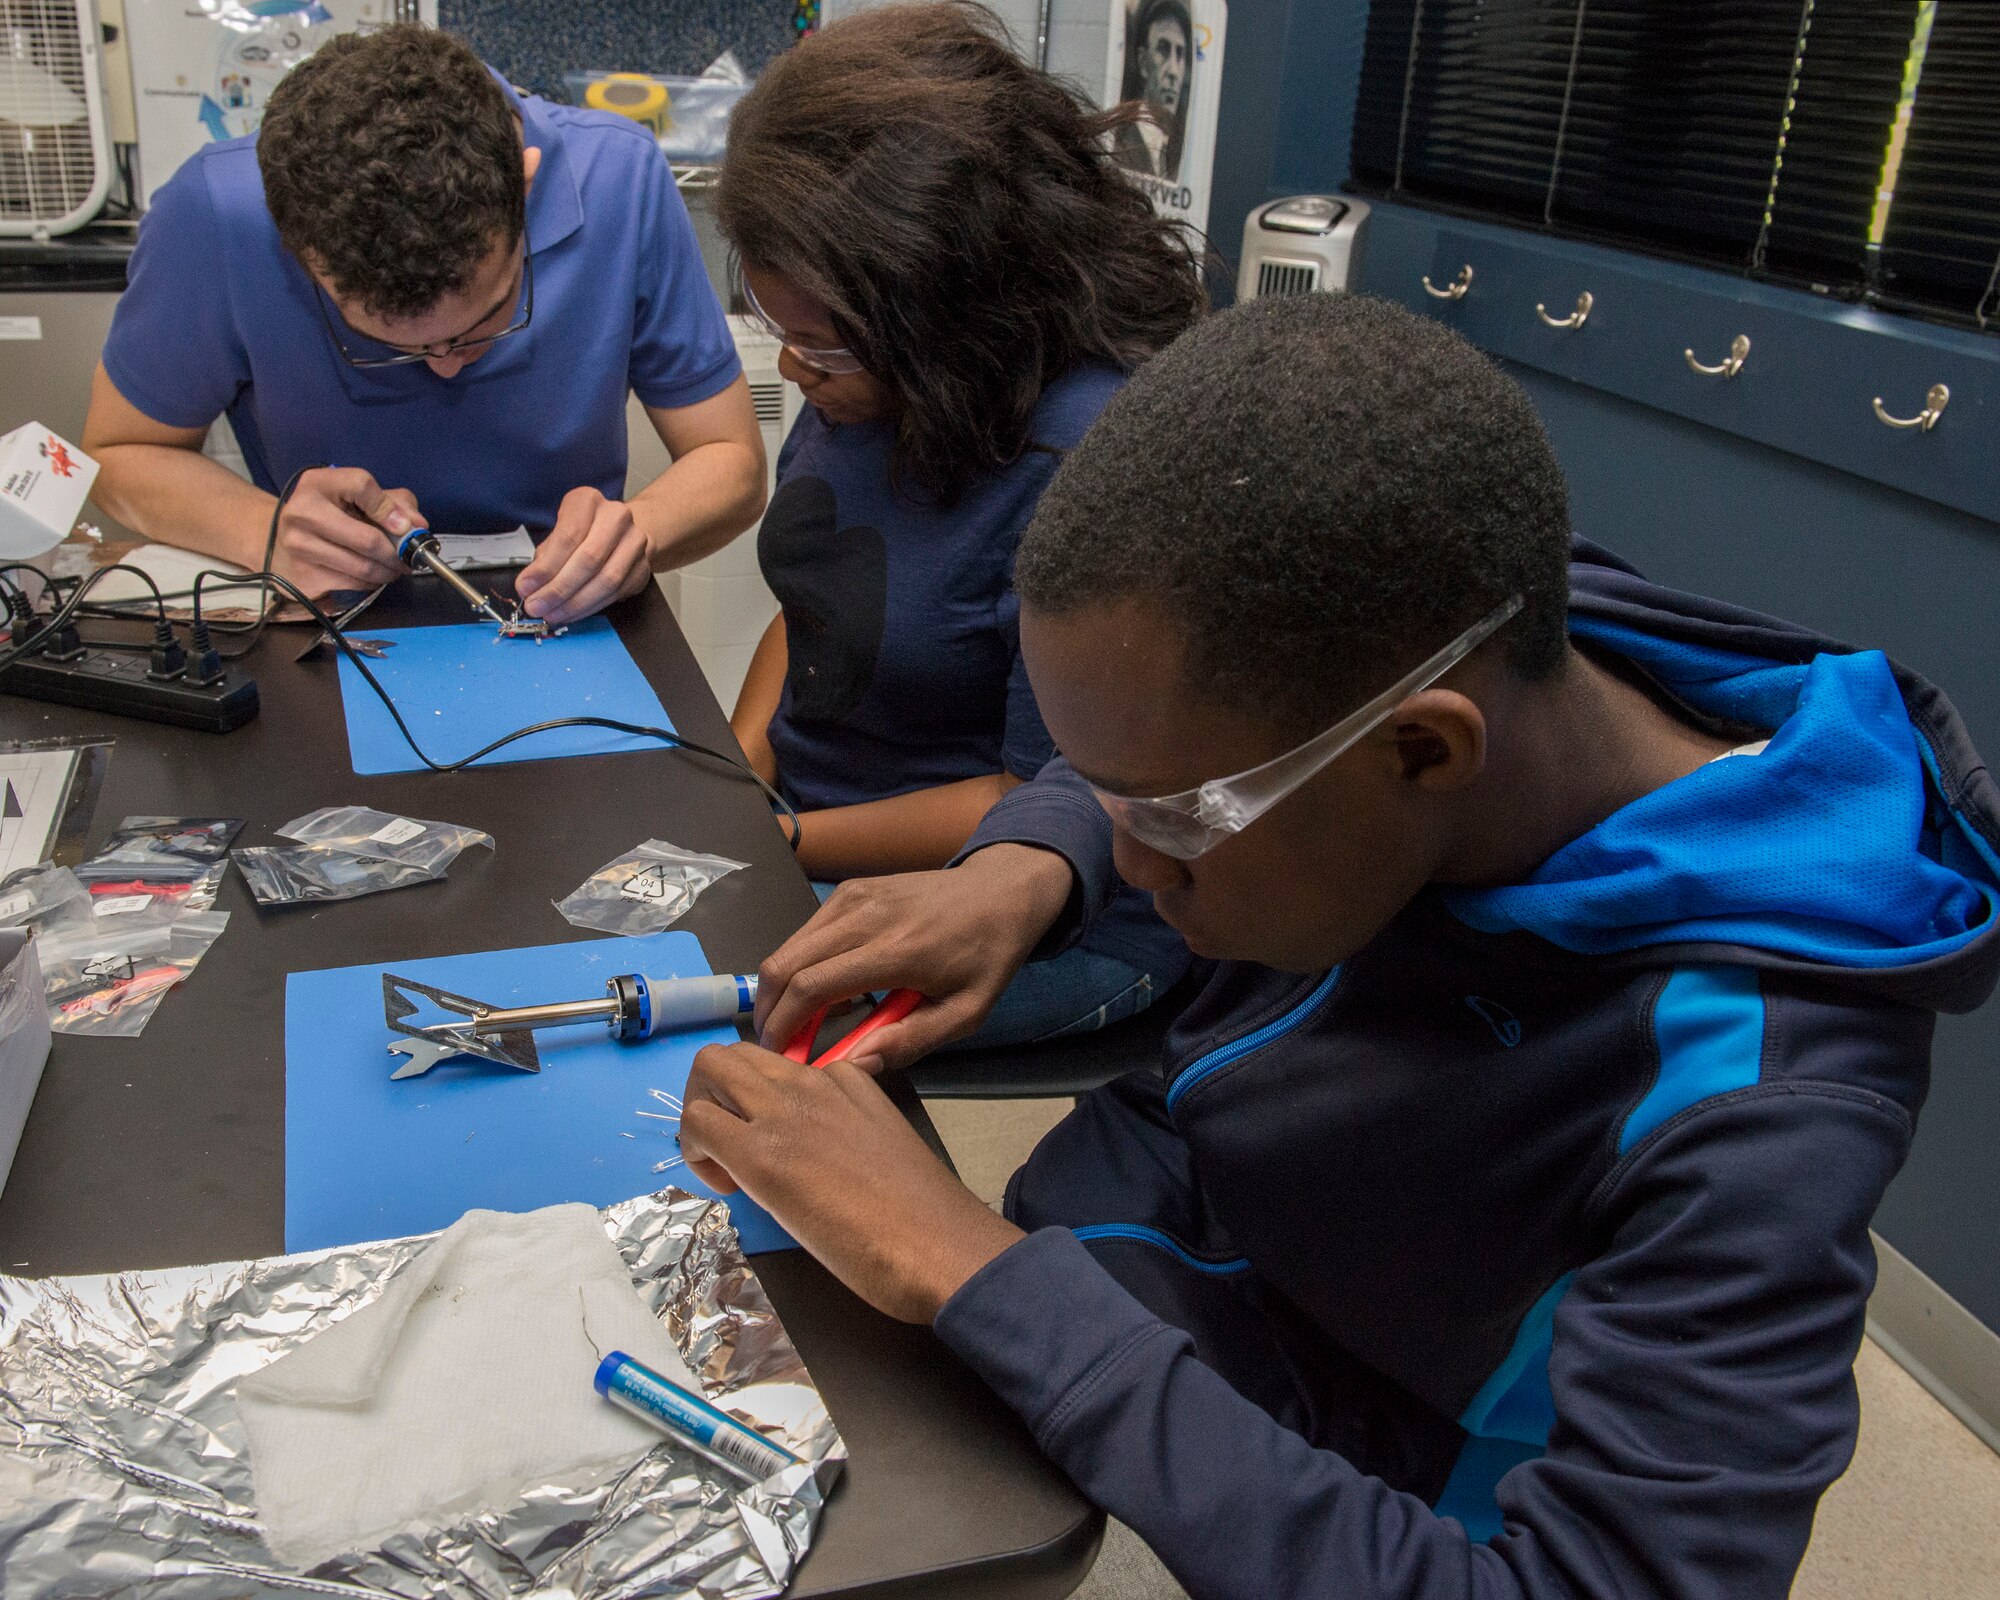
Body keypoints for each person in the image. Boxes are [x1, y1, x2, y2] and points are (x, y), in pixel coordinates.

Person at [672, 294, 2000, 1596]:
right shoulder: (1431, 614)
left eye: (1172, 819)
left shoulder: (1759, 1108)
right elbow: (1191, 739)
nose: (1139, 871)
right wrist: (1038, 862)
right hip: (1196, 1237)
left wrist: (975, 1274)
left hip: (1379, 1484)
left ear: (1426, 748)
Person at [715, 3, 1205, 1047]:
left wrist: (780, 842)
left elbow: (1036, 792)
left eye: (820, 347)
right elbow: (819, 612)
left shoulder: (1087, 455)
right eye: (778, 332)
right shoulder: (867, 377)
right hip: (816, 833)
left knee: (693, 1004)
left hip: (1031, 901)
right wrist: (738, 761)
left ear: (945, 313)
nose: (794, 371)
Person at [83, 25, 766, 628]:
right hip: (327, 615)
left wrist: (637, 532)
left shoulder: (621, 179)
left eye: (484, 323)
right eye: (389, 346)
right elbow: (118, 453)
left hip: (570, 612)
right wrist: (270, 533)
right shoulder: (215, 215)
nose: (445, 366)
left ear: (523, 188)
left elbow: (730, 460)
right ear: (294, 248)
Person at [1112, 0, 1191, 181]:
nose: (1173, 71)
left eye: (1180, 54)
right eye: (1163, 49)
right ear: (1143, 62)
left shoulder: (1178, 151)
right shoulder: (1120, 139)